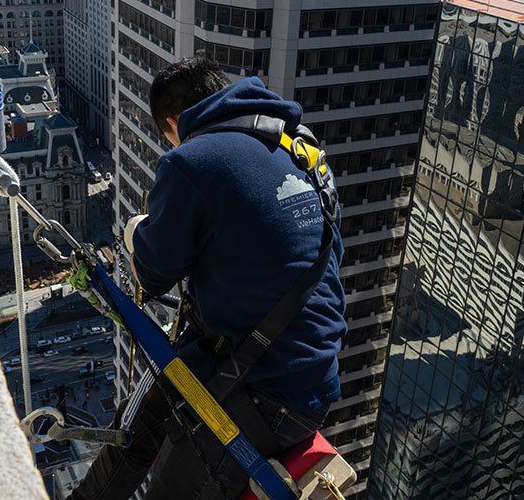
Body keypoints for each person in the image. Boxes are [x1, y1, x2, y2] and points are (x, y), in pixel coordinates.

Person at [71, 58, 347, 499]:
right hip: (305, 378)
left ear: (174, 121)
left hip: (262, 393)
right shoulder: (303, 151)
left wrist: (136, 231)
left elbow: (154, 273)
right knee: (139, 421)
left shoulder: (192, 160)